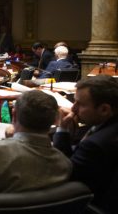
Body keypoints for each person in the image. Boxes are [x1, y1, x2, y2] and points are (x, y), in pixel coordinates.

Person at [53, 75, 118, 212]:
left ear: (104, 109)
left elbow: (62, 173)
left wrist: (61, 129)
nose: (73, 108)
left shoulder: (96, 145)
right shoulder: (107, 124)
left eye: (80, 104)